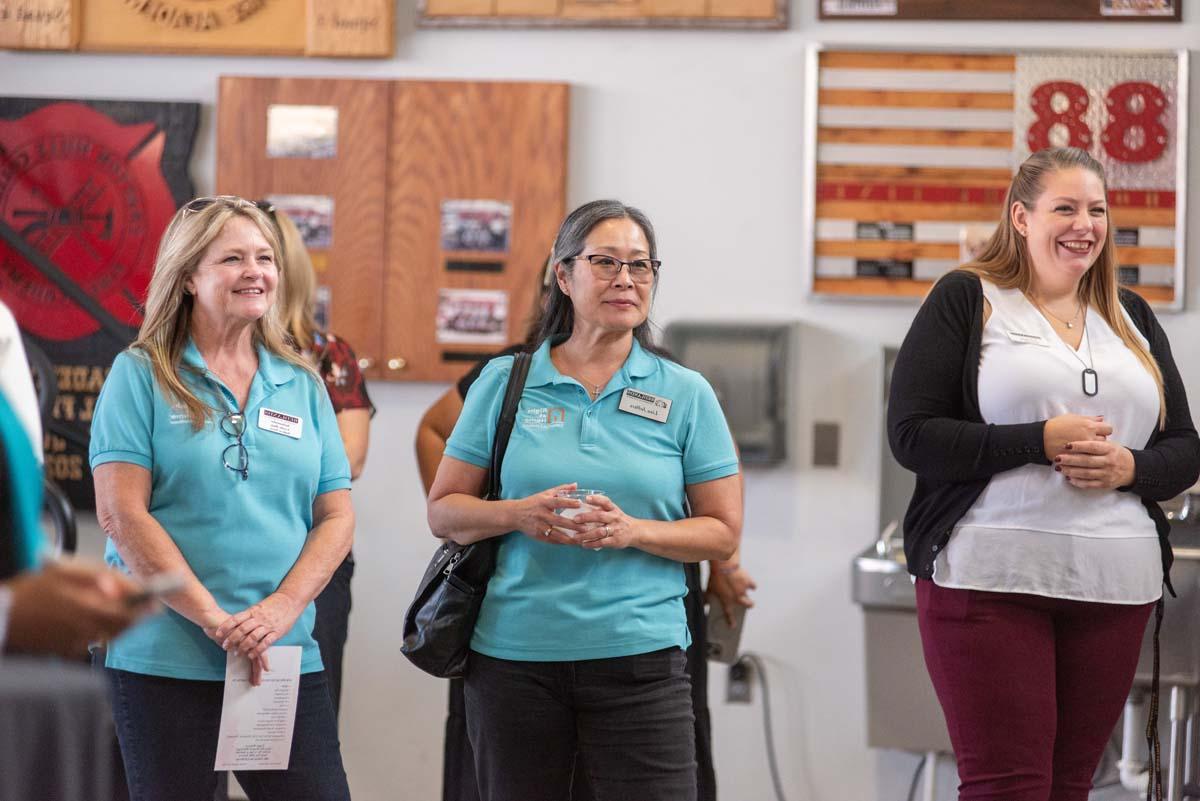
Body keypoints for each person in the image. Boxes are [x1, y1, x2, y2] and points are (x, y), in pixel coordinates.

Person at [888, 147, 1200, 801]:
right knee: (1009, 787)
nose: (1083, 223)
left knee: (1069, 786)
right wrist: (1038, 440)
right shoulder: (968, 298)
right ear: (1021, 217)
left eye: (1097, 209)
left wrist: (1130, 467)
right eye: (1065, 207)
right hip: (989, 578)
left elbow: (1184, 449)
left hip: (1114, 586)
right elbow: (912, 435)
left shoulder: (1132, 317)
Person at [427, 199, 743, 801]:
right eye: (606, 262)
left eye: (641, 266)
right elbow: (444, 512)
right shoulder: (504, 382)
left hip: (642, 662)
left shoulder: (686, 393)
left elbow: (723, 532)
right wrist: (518, 515)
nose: (626, 279)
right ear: (563, 275)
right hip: (513, 663)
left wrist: (632, 531)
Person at [89, 195, 354, 801]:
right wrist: (215, 620)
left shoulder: (303, 383)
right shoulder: (141, 375)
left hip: (279, 656)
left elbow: (336, 516)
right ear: (188, 277)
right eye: (232, 258)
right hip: (163, 656)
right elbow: (121, 513)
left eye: (265, 257)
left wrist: (281, 611)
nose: (255, 271)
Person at [267, 201, 374, 722]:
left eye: (264, 258)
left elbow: (349, 460)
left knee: (303, 718)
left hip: (315, 556)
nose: (251, 272)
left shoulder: (328, 357)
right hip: (222, 561)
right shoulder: (192, 359)